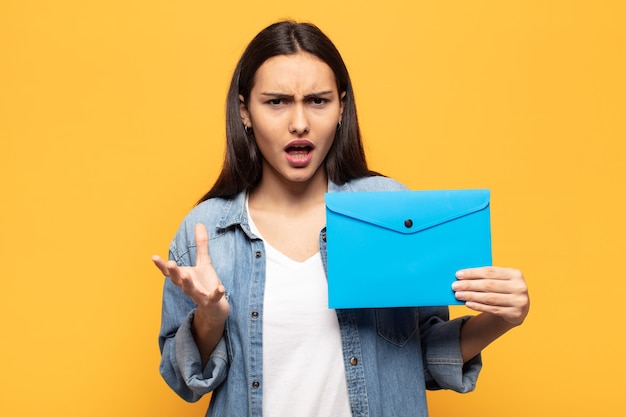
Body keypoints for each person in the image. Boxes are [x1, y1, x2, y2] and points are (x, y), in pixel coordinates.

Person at [152, 20, 530, 417]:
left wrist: (502, 319)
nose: (299, 122)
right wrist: (210, 317)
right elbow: (182, 381)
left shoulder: (388, 208)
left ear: (341, 107)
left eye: (318, 100)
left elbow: (423, 355)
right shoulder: (207, 233)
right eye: (276, 102)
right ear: (245, 111)